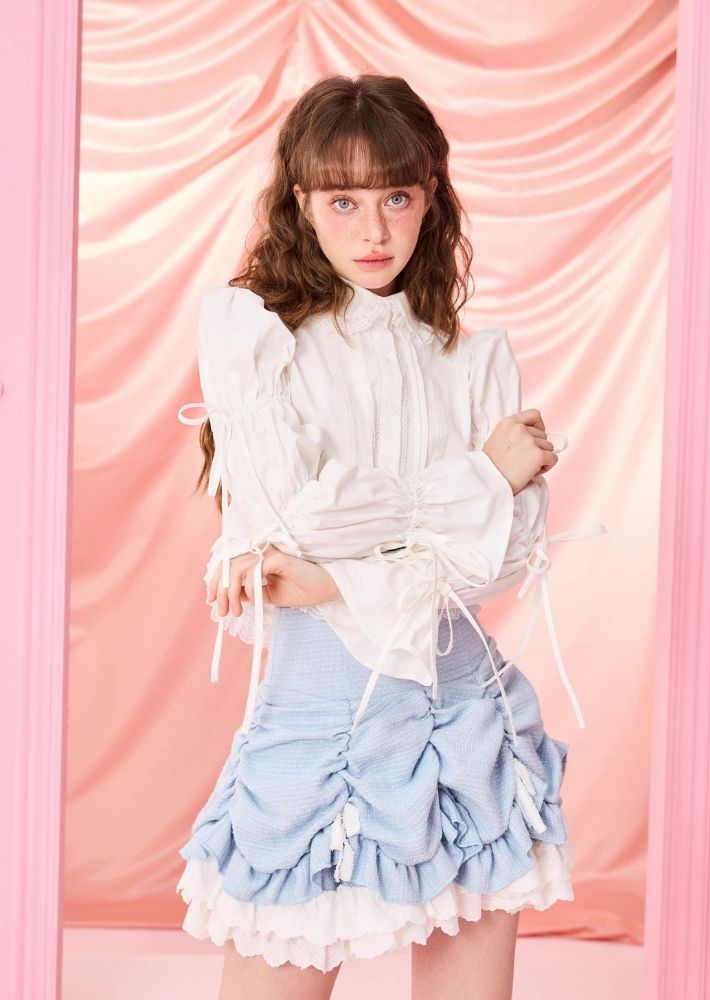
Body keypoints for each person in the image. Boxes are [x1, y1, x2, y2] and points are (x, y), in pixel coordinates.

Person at [174, 73, 605, 1000]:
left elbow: (503, 560)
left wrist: (334, 579)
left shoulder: (474, 360)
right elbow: (302, 516)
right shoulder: (256, 340)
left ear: (430, 198)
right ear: (302, 202)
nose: (374, 231)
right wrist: (482, 477)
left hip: (468, 722)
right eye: (344, 201)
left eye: (397, 198)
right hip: (316, 726)